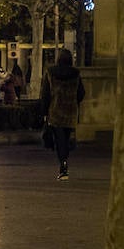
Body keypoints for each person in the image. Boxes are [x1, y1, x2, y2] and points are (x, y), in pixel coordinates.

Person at [41, 49, 85, 180]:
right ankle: (65, 161)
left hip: (55, 111)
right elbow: (81, 93)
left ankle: (63, 165)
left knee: (59, 140)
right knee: (65, 139)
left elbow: (46, 94)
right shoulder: (76, 74)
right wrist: (74, 101)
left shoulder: (50, 73)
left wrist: (45, 112)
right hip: (70, 111)